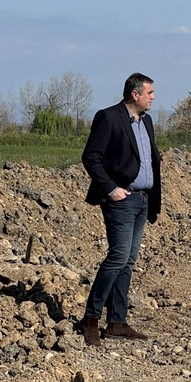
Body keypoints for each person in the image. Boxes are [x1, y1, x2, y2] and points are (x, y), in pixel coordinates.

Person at [78, 73, 162, 347]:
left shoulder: (146, 121)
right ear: (135, 94)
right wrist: (111, 188)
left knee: (128, 262)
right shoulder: (108, 117)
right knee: (117, 258)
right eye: (149, 92)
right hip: (121, 200)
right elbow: (91, 156)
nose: (152, 97)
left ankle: (116, 322)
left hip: (142, 199)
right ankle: (90, 319)